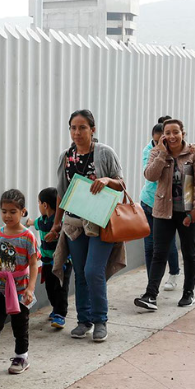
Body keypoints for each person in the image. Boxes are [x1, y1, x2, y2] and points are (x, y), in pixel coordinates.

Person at [45, 110, 127, 343]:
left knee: (93, 271)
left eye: (82, 127)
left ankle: (100, 320)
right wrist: (56, 224)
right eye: (73, 127)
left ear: (93, 129)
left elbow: (122, 184)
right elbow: (62, 193)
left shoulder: (104, 153)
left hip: (100, 222)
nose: (77, 132)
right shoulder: (66, 156)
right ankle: (84, 320)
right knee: (80, 273)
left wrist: (106, 180)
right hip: (73, 224)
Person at [134, 118, 195, 311]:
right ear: (163, 136)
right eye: (168, 133)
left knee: (189, 252)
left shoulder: (194, 153)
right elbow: (150, 176)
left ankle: (188, 293)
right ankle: (151, 295)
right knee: (159, 253)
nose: (172, 136)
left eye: (176, 132)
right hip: (162, 211)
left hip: (187, 212)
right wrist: (162, 155)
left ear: (183, 132)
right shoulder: (156, 152)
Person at [0, 189, 40, 378]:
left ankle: (21, 357)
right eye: (4, 211)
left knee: (20, 324)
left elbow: (34, 264)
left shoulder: (28, 237)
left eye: (13, 211)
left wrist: (30, 289)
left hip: (20, 290)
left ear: (23, 211)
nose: (7, 215)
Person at [140, 121, 181, 291]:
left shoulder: (178, 151)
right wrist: (160, 154)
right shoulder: (149, 151)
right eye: (157, 141)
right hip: (149, 202)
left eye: (163, 141)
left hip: (166, 204)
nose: (160, 144)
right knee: (150, 246)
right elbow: (151, 175)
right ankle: (152, 284)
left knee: (167, 243)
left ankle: (174, 273)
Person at [34, 187, 70, 329]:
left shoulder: (59, 223)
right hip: (47, 262)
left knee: (60, 287)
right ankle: (55, 309)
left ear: (45, 205)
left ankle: (60, 314)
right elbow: (32, 222)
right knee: (50, 286)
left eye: (38, 203)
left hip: (62, 262)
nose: (38, 206)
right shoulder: (42, 221)